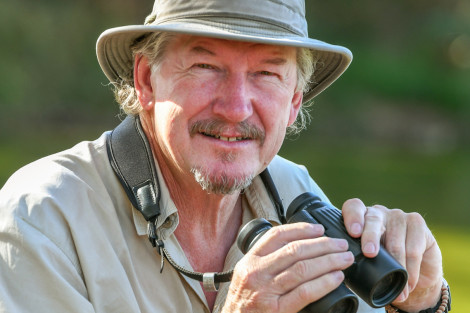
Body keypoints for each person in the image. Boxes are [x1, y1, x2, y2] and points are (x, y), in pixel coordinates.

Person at [0, 0, 450, 312]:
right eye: (205, 67)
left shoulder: (298, 193)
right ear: (146, 80)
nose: (235, 107)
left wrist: (422, 301)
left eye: (267, 73)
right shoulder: (42, 218)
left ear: (294, 99)